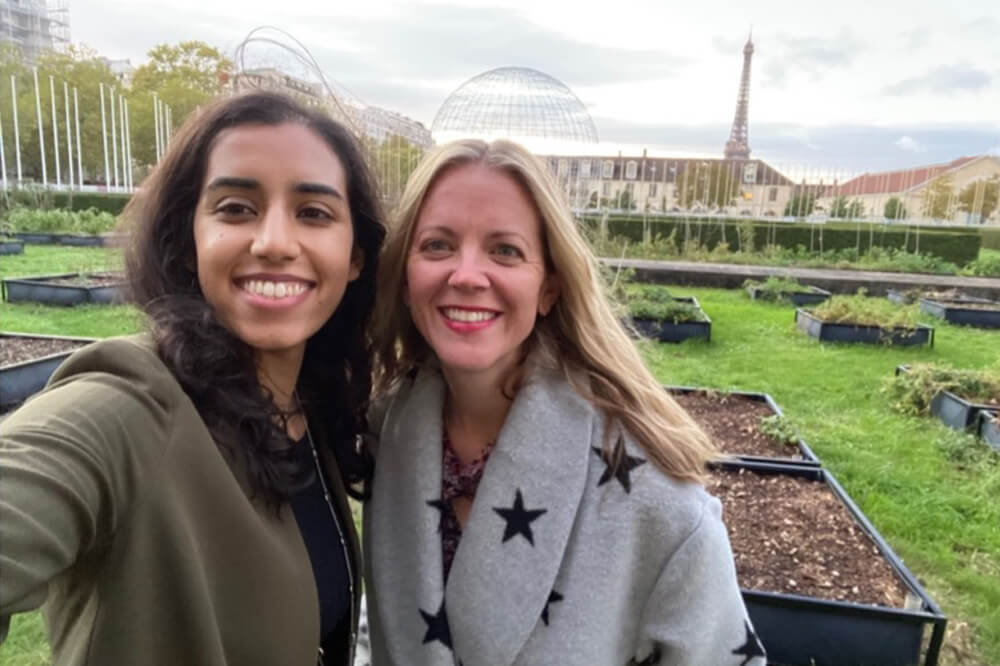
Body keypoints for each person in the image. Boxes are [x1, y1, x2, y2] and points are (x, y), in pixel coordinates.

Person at [0, 91, 385, 666]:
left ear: (355, 256)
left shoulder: (308, 407)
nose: (275, 242)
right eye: (236, 208)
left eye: (314, 212)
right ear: (189, 240)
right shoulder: (128, 406)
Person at [364, 139, 765, 665]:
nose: (465, 274)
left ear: (549, 287)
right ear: (405, 274)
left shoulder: (656, 499)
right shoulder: (383, 430)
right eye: (437, 245)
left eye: (505, 250)